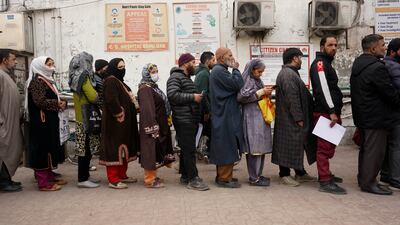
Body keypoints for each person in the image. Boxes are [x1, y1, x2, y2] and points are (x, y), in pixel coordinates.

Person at [350, 34, 400, 195]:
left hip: (363, 115)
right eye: (382, 45)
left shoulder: (359, 64)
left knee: (366, 149)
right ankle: (369, 183)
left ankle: (364, 179)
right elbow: (389, 93)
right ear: (373, 48)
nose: (385, 48)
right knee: (375, 152)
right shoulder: (377, 67)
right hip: (376, 117)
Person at [272, 48, 317, 188]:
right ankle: (284, 174)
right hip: (289, 119)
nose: (301, 60)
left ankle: (300, 172)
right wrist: (299, 117)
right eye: (300, 58)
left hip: (291, 118)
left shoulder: (290, 73)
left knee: (296, 145)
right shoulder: (287, 74)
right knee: (286, 145)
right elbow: (293, 98)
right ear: (295, 58)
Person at [167, 53, 209, 191]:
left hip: (190, 119)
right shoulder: (175, 77)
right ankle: (193, 179)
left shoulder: (185, 78)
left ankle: (185, 175)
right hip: (183, 119)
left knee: (186, 149)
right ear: (185, 63)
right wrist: (193, 97)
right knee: (189, 150)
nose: (195, 65)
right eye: (192, 62)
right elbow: (172, 95)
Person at [310, 35, 346, 194]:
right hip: (325, 113)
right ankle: (324, 181)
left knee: (330, 147)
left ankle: (325, 174)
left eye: (336, 45)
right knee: (324, 149)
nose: (334, 48)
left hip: (332, 112)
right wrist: (331, 111)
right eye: (330, 45)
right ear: (322, 46)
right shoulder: (319, 63)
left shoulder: (326, 63)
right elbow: (322, 88)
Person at [26, 56, 67, 191]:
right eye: (48, 65)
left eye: (52, 64)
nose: (52, 67)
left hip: (48, 120)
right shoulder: (37, 82)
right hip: (41, 122)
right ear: (40, 66)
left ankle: (48, 176)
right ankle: (43, 183)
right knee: (42, 149)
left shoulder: (47, 80)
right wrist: (57, 104)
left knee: (49, 147)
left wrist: (60, 103)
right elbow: (39, 101)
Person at [99, 58, 140, 189]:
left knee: (123, 149)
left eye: (124, 67)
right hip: (115, 124)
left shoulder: (119, 81)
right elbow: (111, 100)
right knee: (114, 149)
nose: (123, 69)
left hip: (124, 124)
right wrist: (119, 114)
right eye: (120, 67)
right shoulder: (111, 81)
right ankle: (113, 179)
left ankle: (122, 175)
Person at [209, 47, 244, 188]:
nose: (232, 57)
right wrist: (236, 69)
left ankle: (225, 176)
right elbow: (237, 84)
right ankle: (224, 178)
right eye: (230, 55)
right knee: (226, 146)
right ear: (222, 58)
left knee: (227, 145)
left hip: (225, 114)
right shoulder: (219, 71)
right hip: (224, 115)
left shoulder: (220, 71)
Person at [138, 63, 175, 188]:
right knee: (150, 151)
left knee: (156, 150)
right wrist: (152, 127)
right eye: (153, 72)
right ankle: (150, 180)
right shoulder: (145, 88)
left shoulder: (153, 87)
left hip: (159, 124)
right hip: (151, 126)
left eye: (156, 71)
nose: (155, 74)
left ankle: (153, 176)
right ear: (147, 74)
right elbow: (147, 110)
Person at [237, 59, 273, 186]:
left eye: (262, 72)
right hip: (251, 118)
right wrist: (261, 92)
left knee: (260, 148)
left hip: (260, 117)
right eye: (259, 71)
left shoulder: (257, 80)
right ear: (252, 70)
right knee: (254, 148)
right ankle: (254, 177)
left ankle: (258, 174)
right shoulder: (247, 80)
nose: (260, 74)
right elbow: (241, 97)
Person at [68, 52, 101, 188]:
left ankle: (85, 176)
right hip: (86, 117)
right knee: (85, 150)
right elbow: (92, 96)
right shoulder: (84, 76)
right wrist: (98, 94)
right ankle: (82, 179)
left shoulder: (74, 77)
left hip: (80, 116)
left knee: (84, 148)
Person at [0, 49, 23, 192]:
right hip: (4, 123)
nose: (15, 62)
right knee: (3, 152)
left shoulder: (6, 76)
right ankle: (3, 182)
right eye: (13, 59)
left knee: (10, 151)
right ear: (4, 60)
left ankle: (7, 179)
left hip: (11, 122)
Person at [380, 38, 400, 191]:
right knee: (396, 146)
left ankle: (386, 175)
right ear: (393, 52)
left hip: (384, 113)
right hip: (395, 113)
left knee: (388, 146)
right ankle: (395, 179)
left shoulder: (382, 65)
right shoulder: (394, 67)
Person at [194, 51, 216, 159]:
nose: (214, 63)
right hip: (203, 111)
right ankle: (206, 153)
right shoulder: (204, 74)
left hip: (204, 109)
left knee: (206, 132)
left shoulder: (205, 72)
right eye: (213, 60)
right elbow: (203, 94)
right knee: (208, 131)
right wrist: (207, 111)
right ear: (207, 61)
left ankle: (204, 152)